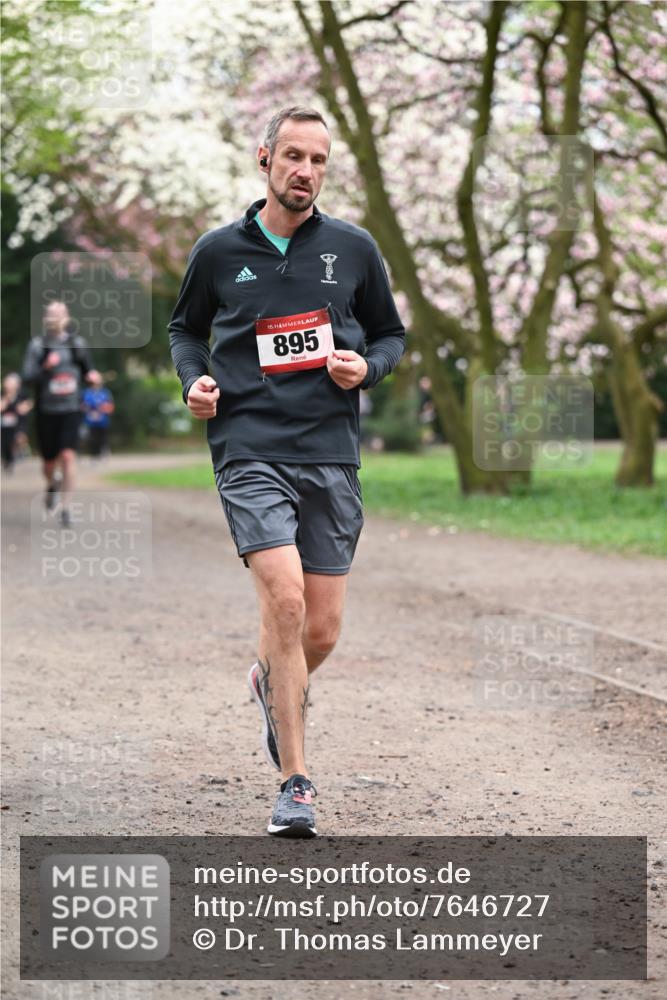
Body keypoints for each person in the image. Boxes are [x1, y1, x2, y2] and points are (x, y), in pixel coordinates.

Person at [169, 106, 406, 838]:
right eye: (294, 156)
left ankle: (270, 679)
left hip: (329, 452)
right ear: (265, 157)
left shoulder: (354, 249)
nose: (305, 171)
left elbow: (391, 334)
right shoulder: (216, 251)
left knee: (322, 631)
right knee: (286, 602)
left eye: (319, 160)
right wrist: (194, 383)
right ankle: (294, 784)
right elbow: (185, 328)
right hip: (248, 448)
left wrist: (366, 367)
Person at [22, 301, 101, 526]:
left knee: (68, 457)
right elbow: (27, 378)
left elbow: (89, 371)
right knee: (48, 463)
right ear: (46, 319)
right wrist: (45, 367)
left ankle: (65, 508)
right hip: (46, 411)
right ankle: (52, 483)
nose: (56, 318)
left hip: (71, 409)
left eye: (60, 314)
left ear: (67, 318)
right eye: (52, 314)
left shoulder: (77, 345)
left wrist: (93, 377)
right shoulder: (38, 346)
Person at [1, 373, 31, 472]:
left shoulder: (22, 395)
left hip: (18, 424)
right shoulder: (2, 395)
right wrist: (7, 398)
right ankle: (8, 460)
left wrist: (24, 407)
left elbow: (27, 406)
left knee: (19, 437)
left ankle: (21, 451)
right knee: (5, 445)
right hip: (4, 425)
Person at [81, 377, 115, 459]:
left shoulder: (105, 393)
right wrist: (88, 409)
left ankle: (103, 452)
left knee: (103, 438)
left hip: (102, 420)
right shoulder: (86, 393)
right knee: (92, 438)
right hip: (90, 420)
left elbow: (110, 406)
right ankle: (94, 455)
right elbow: (82, 405)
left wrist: (103, 409)